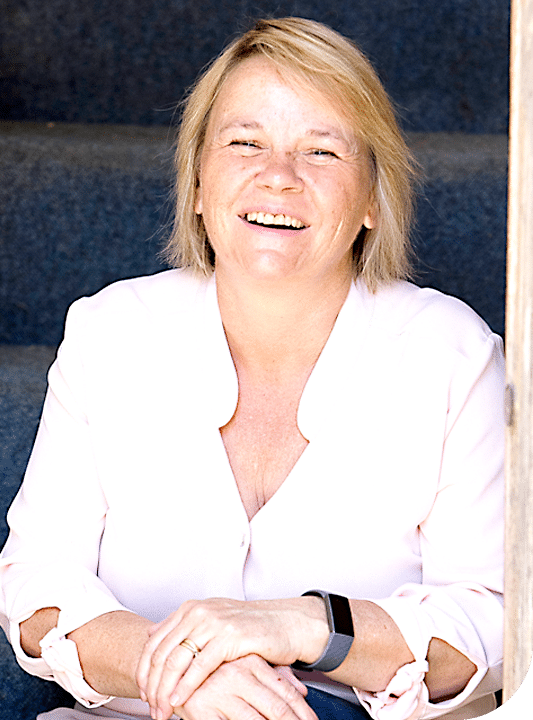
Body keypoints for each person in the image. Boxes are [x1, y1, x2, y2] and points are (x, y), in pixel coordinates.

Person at [0, 16, 504, 720]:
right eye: (244, 143)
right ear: (199, 184)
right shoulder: (110, 331)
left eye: (321, 152)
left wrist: (301, 626)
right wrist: (180, 670)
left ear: (369, 200)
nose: (278, 176)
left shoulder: (453, 353)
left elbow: (489, 629)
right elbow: (35, 590)